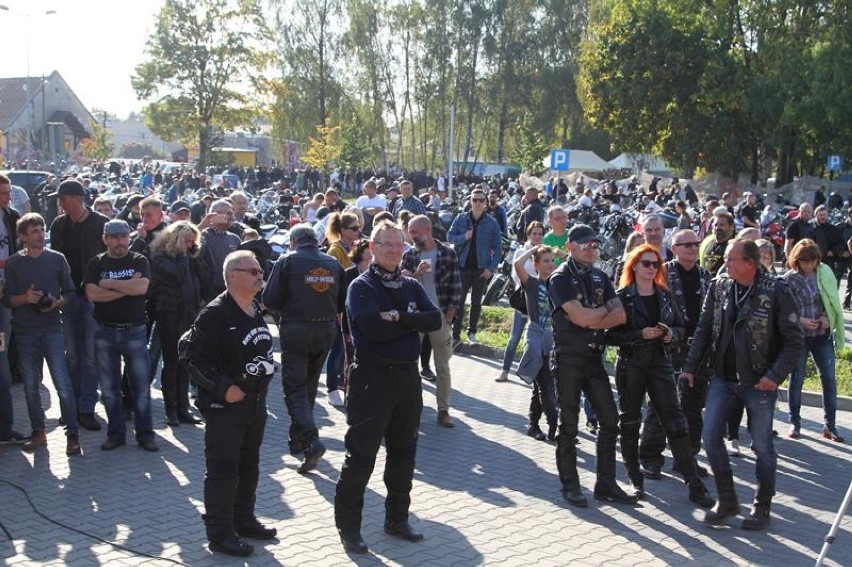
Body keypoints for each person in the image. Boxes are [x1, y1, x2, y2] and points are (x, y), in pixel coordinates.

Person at [334, 221, 442, 554]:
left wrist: (397, 317)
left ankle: (397, 519)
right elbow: (370, 331)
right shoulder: (361, 286)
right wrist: (410, 323)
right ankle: (349, 529)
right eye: (388, 245)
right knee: (361, 456)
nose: (396, 251)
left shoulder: (409, 285)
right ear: (373, 247)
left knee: (403, 453)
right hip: (372, 379)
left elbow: (435, 320)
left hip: (407, 379)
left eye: (400, 245)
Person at [681, 240, 804, 530]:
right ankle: (727, 500)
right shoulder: (720, 286)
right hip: (723, 378)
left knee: (762, 446)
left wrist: (774, 376)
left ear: (751, 262)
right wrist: (689, 368)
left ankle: (762, 507)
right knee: (711, 436)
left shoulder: (776, 291)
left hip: (759, 382)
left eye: (732, 259)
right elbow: (703, 328)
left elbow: (794, 341)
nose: (726, 264)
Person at [180, 250, 277, 557]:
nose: (260, 276)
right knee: (223, 470)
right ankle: (220, 534)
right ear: (232, 275)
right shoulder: (216, 313)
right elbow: (189, 354)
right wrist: (223, 388)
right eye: (253, 271)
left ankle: (244, 519)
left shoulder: (253, 308)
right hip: (226, 408)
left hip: (254, 404)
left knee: (249, 466)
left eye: (260, 271)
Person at [605, 244, 714, 507]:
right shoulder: (623, 296)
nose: (652, 268)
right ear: (634, 266)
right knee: (630, 422)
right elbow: (608, 335)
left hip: (660, 362)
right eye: (646, 263)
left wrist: (669, 334)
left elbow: (680, 325)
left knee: (675, 421)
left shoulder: (664, 295)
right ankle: (635, 479)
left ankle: (693, 484)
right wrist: (638, 335)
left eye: (656, 264)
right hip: (632, 362)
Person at [548, 224, 638, 507]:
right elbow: (580, 318)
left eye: (595, 245)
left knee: (610, 421)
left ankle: (606, 483)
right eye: (585, 244)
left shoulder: (601, 276)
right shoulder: (559, 278)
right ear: (570, 247)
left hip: (593, 357)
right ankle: (570, 486)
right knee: (569, 425)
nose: (591, 249)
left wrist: (592, 315)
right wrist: (600, 314)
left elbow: (620, 315)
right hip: (568, 358)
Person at [262, 224, 345, 473]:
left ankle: (310, 440)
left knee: (295, 388)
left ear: (293, 241)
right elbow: (342, 301)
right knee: (307, 385)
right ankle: (298, 438)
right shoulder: (333, 263)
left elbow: (270, 299)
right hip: (325, 329)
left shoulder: (287, 260)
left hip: (296, 329)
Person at [3, 213, 78, 454]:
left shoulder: (57, 259)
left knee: (62, 383)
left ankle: (72, 434)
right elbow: (8, 300)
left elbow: (70, 293)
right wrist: (25, 298)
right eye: (34, 231)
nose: (40, 234)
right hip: (25, 332)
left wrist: (57, 303)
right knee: (30, 386)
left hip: (52, 330)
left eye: (42, 229)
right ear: (23, 236)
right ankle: (38, 432)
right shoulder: (14, 263)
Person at [640, 229, 711, 478]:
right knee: (661, 403)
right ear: (675, 247)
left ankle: (686, 458)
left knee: (693, 407)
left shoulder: (705, 275)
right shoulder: (662, 273)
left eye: (696, 244)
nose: (693, 248)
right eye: (687, 244)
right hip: (667, 347)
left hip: (697, 351)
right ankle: (650, 457)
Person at [84, 220, 158, 453]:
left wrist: (108, 283)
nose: (120, 242)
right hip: (104, 332)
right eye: (114, 237)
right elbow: (92, 294)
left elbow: (142, 288)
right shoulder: (97, 262)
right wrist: (126, 285)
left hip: (134, 332)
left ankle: (146, 435)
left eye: (124, 236)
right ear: (105, 239)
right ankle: (116, 434)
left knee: (142, 388)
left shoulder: (139, 260)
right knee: (109, 389)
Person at [49, 178, 110, 432]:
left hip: (92, 297)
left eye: (62, 199)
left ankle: (86, 409)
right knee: (72, 356)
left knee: (90, 356)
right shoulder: (59, 225)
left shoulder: (100, 224)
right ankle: (71, 407)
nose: (59, 203)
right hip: (68, 296)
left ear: (75, 199)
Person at [402, 215, 461, 428]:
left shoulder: (447, 253)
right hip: (416, 318)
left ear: (427, 230)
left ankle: (443, 410)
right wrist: (416, 274)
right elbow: (401, 284)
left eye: (414, 232)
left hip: (440, 318)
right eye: (410, 232)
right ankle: (411, 408)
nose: (411, 236)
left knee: (442, 367)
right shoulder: (409, 255)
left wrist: (449, 316)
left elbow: (456, 286)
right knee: (408, 364)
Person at [784, 239, 845, 442]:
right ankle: (795, 422)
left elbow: (832, 300)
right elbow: (782, 310)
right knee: (797, 378)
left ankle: (831, 425)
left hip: (821, 336)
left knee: (829, 378)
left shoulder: (824, 274)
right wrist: (800, 320)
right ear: (797, 260)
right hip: (799, 337)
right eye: (804, 261)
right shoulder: (789, 279)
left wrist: (828, 318)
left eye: (812, 261)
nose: (808, 265)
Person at [149, 221, 209, 426]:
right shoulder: (160, 258)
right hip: (169, 314)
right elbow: (176, 277)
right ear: (175, 239)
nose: (190, 245)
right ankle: (171, 409)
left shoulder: (189, 258)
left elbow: (206, 277)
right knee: (171, 363)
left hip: (189, 314)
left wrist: (195, 258)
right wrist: (185, 257)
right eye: (186, 240)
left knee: (186, 362)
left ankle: (183, 408)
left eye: (192, 241)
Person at [514, 245, 558, 442]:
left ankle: (533, 425)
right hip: (536, 339)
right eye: (546, 261)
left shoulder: (558, 285)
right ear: (537, 264)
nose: (550, 264)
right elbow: (517, 264)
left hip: (554, 341)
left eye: (552, 260)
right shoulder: (531, 284)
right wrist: (533, 250)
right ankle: (555, 426)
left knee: (540, 386)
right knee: (546, 385)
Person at [447, 187, 502, 345]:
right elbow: (449, 236)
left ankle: (472, 333)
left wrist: (490, 269)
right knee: (459, 301)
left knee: (476, 302)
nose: (478, 203)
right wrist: (464, 236)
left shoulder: (491, 222)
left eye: (481, 200)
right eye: (474, 199)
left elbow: (498, 248)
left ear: (485, 202)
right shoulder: (461, 218)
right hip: (462, 266)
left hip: (481, 268)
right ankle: (455, 334)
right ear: (470, 201)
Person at [497, 221, 544, 383]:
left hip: (539, 303)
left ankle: (532, 374)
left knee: (535, 340)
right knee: (514, 338)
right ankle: (504, 370)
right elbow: (516, 275)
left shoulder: (545, 251)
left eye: (540, 233)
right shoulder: (521, 251)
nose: (537, 236)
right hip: (523, 300)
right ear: (528, 234)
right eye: (534, 233)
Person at [324, 212, 362, 408]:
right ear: (343, 231)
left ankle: (342, 381)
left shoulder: (353, 247)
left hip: (351, 306)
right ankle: (331, 388)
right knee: (337, 349)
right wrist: (337, 312)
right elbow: (333, 283)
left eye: (358, 227)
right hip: (339, 307)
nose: (358, 231)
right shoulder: (335, 251)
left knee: (348, 349)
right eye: (354, 228)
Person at [0, 175, 21, 445]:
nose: (7, 197)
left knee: (2, 360)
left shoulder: (12, 216)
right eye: (2, 193)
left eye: (8, 192)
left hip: (5, 298)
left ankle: (5, 429)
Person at [200, 199, 241, 301]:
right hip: (208, 294)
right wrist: (202, 226)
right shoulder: (202, 236)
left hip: (231, 292)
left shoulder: (235, 238)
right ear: (214, 215)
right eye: (228, 213)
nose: (232, 216)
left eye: (232, 213)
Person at [699, 209, 736, 276]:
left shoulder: (734, 247)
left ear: (731, 227)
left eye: (722, 225)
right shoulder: (708, 243)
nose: (717, 227)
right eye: (715, 225)